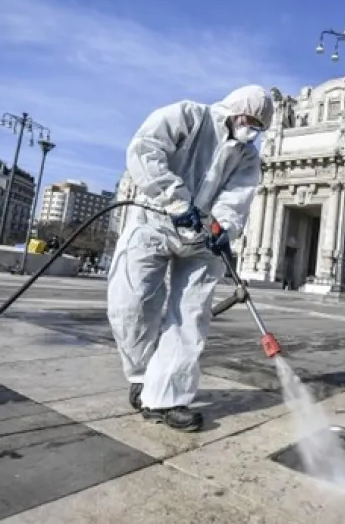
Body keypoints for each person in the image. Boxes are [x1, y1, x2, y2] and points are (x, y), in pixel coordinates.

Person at [106, 85, 273, 432]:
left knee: (190, 317)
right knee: (131, 303)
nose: (251, 129)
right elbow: (145, 149)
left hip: (202, 238)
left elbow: (237, 197)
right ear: (235, 110)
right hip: (154, 221)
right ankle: (141, 377)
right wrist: (176, 201)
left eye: (258, 126)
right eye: (249, 120)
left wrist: (224, 227)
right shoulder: (188, 116)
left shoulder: (247, 158)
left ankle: (168, 398)